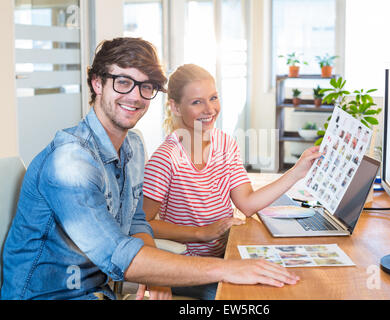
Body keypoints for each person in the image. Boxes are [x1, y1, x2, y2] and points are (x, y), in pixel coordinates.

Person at [0, 38, 300, 300]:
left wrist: (156, 273)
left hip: (101, 291)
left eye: (145, 87)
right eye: (122, 82)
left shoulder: (132, 147)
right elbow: (118, 255)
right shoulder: (70, 162)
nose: (135, 96)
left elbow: (137, 221)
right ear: (96, 83)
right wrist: (226, 268)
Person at [142, 64, 321, 299]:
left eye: (213, 98)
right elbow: (143, 224)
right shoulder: (165, 158)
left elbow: (246, 203)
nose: (210, 109)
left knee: (288, 279)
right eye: (197, 102)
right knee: (249, 294)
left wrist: (297, 172)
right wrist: (201, 232)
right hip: (187, 267)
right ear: (175, 106)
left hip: (228, 252)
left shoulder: (225, 144)